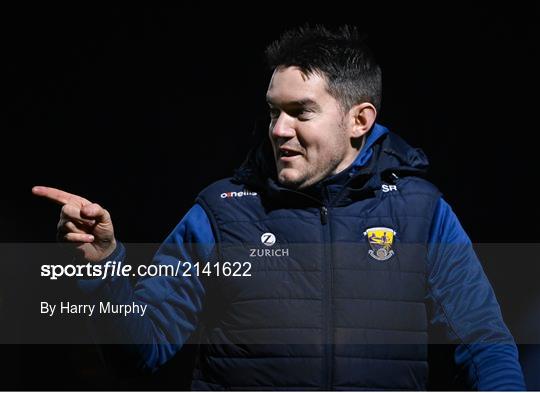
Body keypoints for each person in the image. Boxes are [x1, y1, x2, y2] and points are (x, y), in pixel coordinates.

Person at [32, 25, 526, 390]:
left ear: (359, 120)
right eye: (273, 112)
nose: (278, 130)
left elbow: (484, 341)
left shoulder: (422, 212)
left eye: (300, 112)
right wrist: (103, 271)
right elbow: (140, 354)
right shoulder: (221, 212)